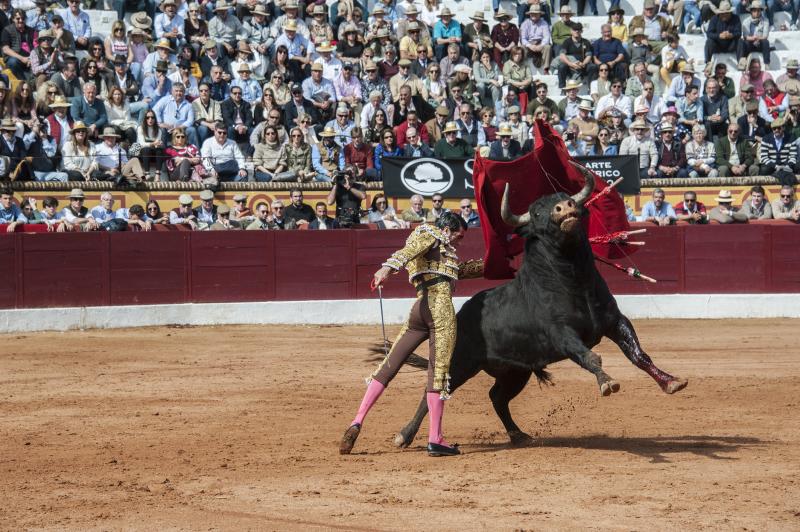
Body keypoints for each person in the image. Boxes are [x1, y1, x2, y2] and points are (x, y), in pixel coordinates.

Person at [340, 212, 483, 457]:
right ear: (447, 229)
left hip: (419, 309)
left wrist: (492, 265)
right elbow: (409, 251)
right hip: (439, 310)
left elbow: (458, 270)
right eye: (458, 236)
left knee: (390, 364)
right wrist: (386, 268)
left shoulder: (440, 252)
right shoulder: (431, 233)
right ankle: (435, 439)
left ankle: (357, 420)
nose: (459, 242)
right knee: (438, 373)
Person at [759, 118, 797, 186]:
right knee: (764, 169)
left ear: (783, 128)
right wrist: (776, 166)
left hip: (786, 165)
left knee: (797, 166)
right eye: (774, 128)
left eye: (779, 128)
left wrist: (786, 166)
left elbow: (793, 156)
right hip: (772, 166)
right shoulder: (766, 139)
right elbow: (764, 158)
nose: (776, 130)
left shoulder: (791, 138)